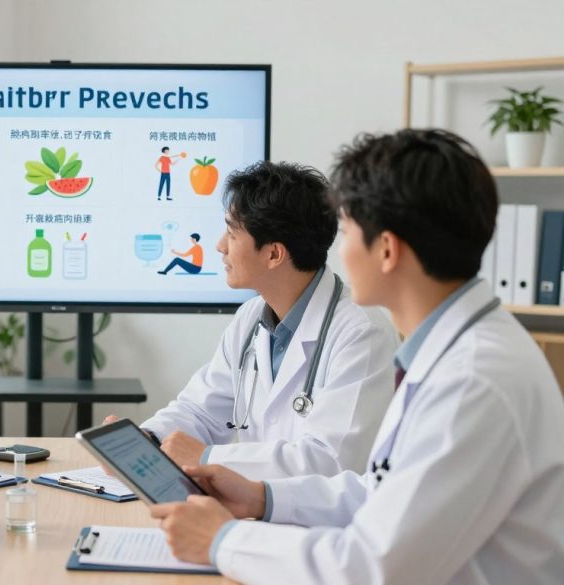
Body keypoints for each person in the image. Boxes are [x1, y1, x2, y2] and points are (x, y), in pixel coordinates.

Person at [151, 129, 564, 584]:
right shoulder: (453, 353)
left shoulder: (473, 379)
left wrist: (222, 540)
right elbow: (381, 490)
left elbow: (373, 567)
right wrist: (262, 497)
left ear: (386, 249)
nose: (337, 250)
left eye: (347, 231)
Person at [106, 161, 398, 480]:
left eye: (231, 233)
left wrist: (207, 458)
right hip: (253, 513)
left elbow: (330, 462)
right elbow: (200, 410)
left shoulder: (361, 334)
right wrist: (147, 441)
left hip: (320, 524)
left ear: (273, 255)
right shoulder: (251, 318)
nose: (219, 246)